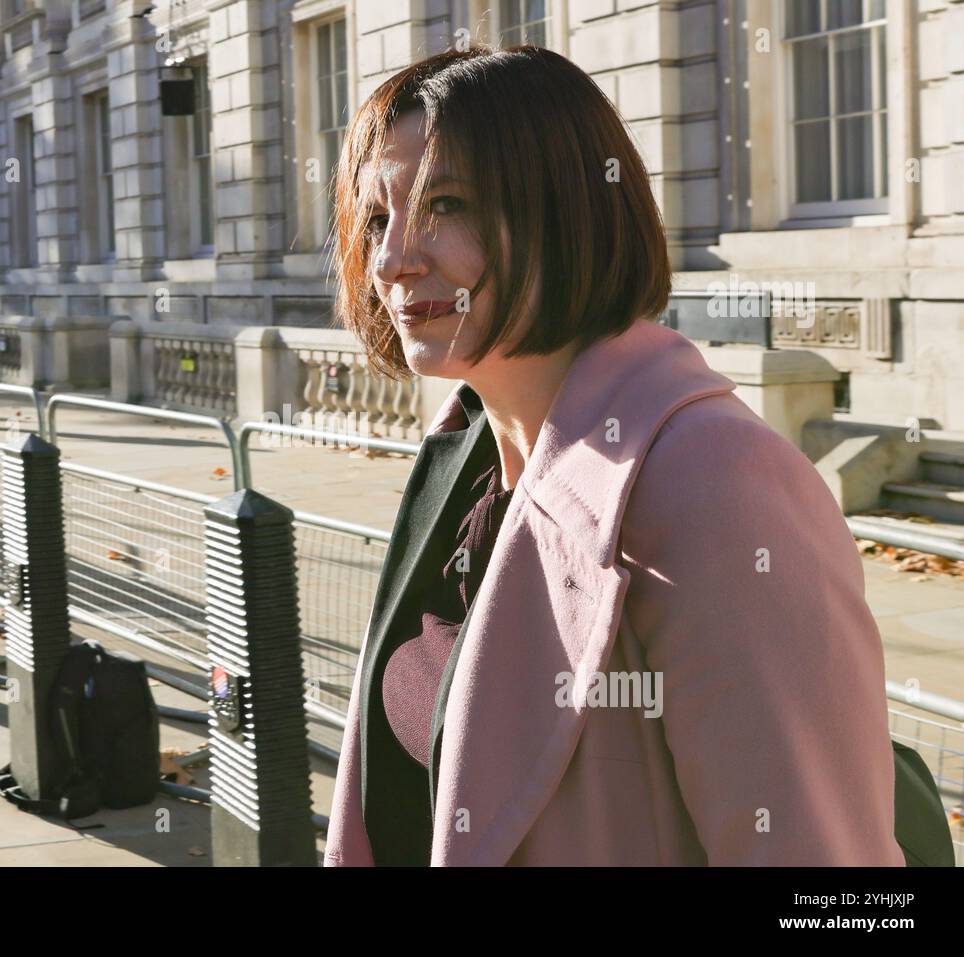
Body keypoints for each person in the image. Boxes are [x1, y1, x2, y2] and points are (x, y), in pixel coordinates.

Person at [322, 45, 902, 866]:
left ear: (566, 214)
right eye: (378, 218)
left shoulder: (716, 482)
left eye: (445, 204)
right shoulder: (462, 466)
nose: (393, 258)